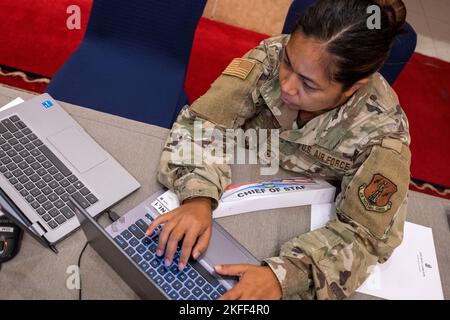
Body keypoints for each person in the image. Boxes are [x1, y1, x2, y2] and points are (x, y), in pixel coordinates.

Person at [146, 0, 411, 300]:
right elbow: (203, 123)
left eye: (309, 85)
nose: (286, 86)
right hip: (233, 182)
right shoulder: (270, 56)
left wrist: (284, 275)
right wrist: (198, 196)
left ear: (352, 87)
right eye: (289, 62)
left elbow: (365, 237)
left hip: (292, 219)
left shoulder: (384, 134)